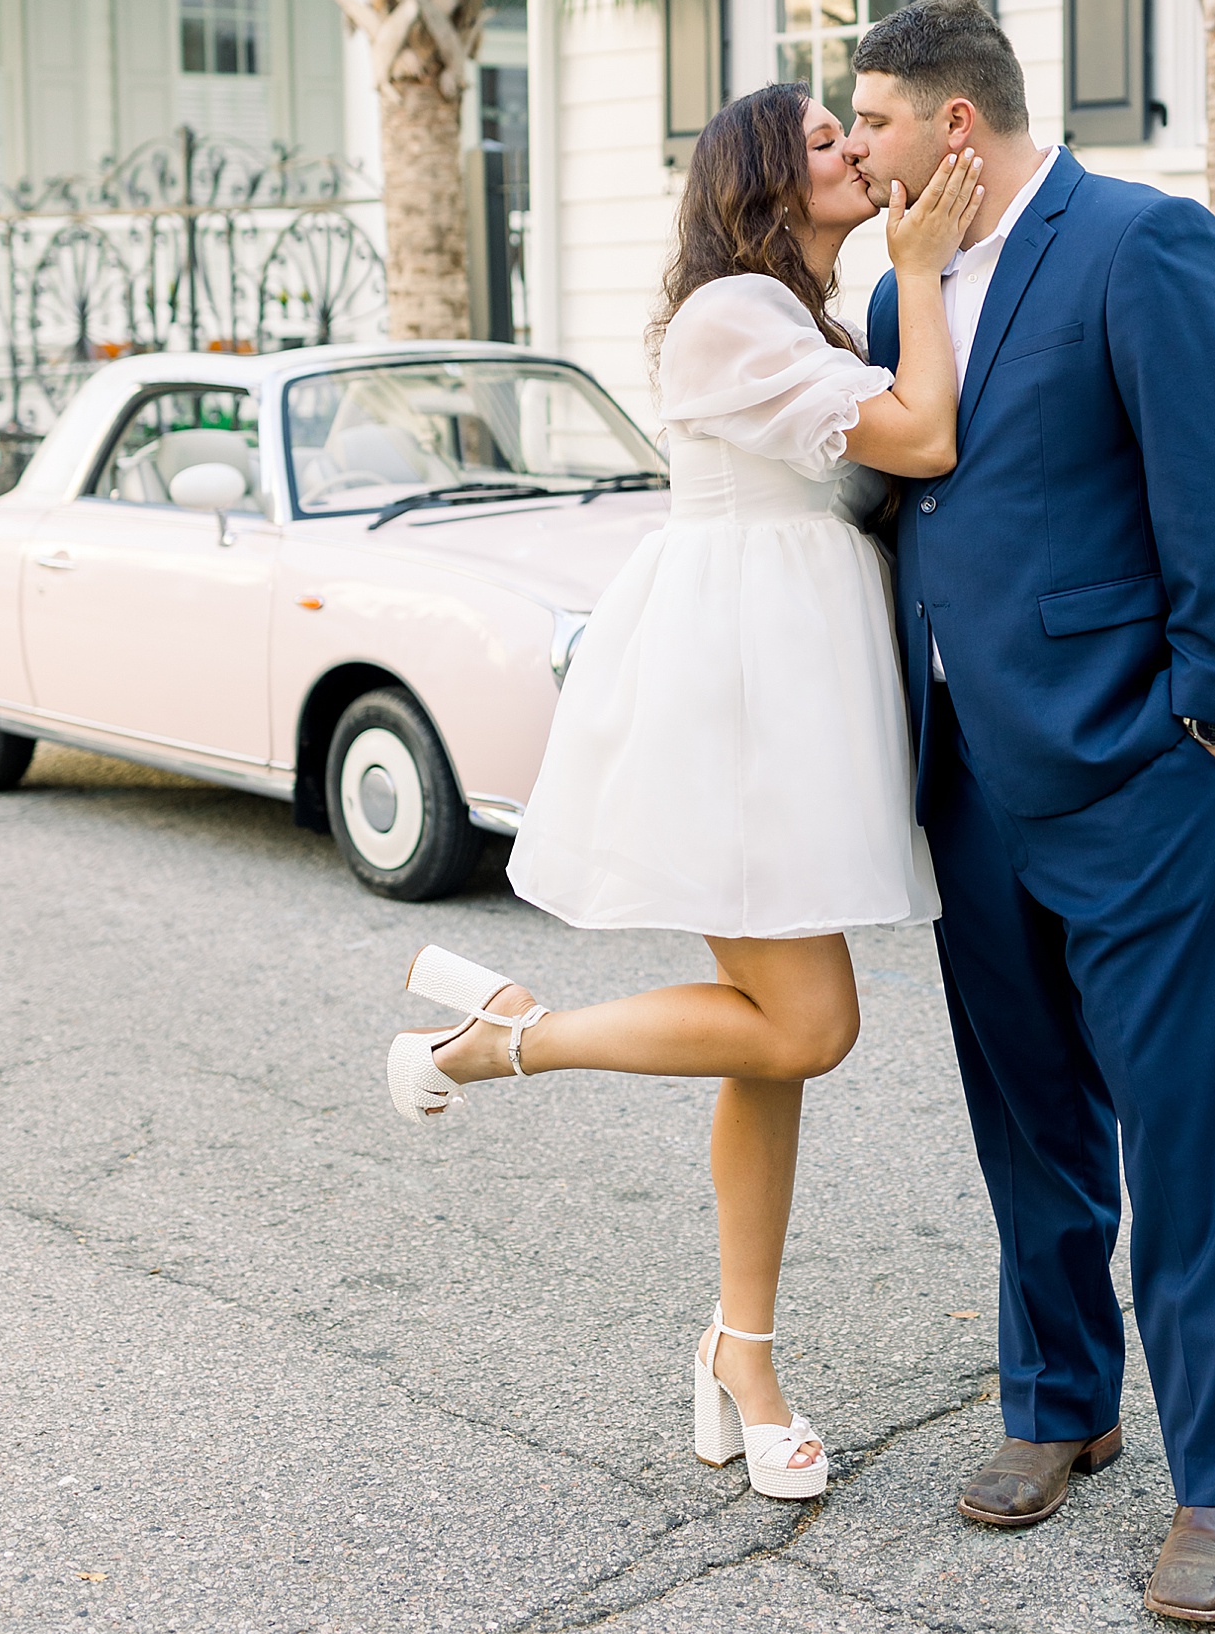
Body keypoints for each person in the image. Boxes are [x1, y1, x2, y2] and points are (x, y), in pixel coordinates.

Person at [385, 86, 983, 1503]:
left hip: (792, 698)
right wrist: (918, 269)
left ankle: (744, 1350)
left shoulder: (799, 318)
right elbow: (922, 442)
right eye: (829, 142)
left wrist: (903, 285)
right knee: (812, 1023)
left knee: (769, 1043)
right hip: (736, 702)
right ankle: (507, 1037)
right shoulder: (730, 312)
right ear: (765, 180)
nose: (855, 152)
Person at [847, 0, 1215, 1626]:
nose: (857, 145)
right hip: (964, 772)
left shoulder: (1140, 241)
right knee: (1028, 1112)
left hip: (1129, 766)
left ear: (956, 124)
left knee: (1185, 1130)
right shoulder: (910, 282)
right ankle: (1060, 1401)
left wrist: (1205, 711)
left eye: (874, 118)